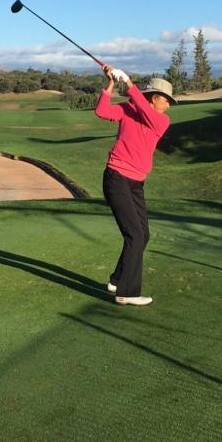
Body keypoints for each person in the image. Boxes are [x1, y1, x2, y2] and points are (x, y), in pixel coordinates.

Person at [94, 65, 176, 306]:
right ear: (153, 97)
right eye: (166, 99)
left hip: (137, 184)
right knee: (135, 235)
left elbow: (142, 107)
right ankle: (126, 293)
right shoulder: (128, 110)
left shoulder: (161, 121)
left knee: (143, 234)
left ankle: (117, 280)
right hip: (116, 178)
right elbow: (101, 111)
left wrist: (128, 83)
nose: (169, 104)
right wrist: (111, 83)